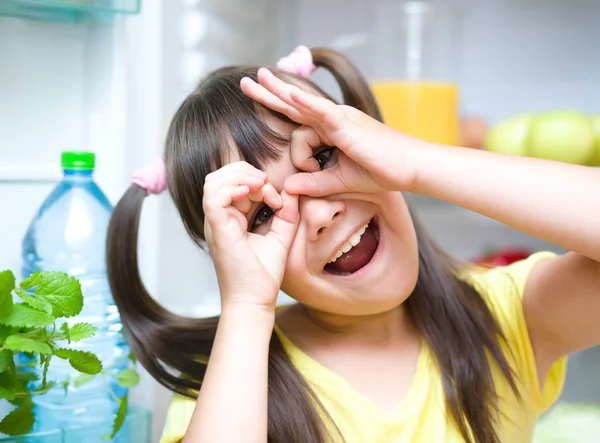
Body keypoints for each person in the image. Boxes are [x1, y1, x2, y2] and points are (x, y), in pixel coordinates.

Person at [106, 46, 600, 443]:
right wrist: (248, 307)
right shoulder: (232, 387)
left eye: (323, 158)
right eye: (262, 213)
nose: (320, 214)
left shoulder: (505, 318)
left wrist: (416, 162)